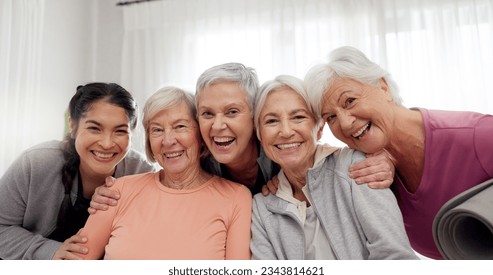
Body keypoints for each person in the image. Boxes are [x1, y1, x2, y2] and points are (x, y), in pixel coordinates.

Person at [88, 63, 395, 212]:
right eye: (207, 114)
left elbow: (318, 149)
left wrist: (384, 156)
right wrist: (114, 195)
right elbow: (164, 182)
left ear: (255, 116)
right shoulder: (202, 163)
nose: (218, 126)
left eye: (232, 112)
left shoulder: (281, 150)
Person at [304, 46, 493, 259]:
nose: (346, 124)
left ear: (383, 87)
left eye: (350, 101)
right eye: (331, 118)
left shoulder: (477, 136)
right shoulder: (369, 171)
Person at [250, 75, 417, 260]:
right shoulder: (261, 207)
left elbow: (395, 256)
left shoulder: (356, 167)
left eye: (298, 117)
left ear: (319, 128)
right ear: (260, 134)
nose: (286, 131)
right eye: (271, 121)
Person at [74, 87, 252, 260]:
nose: (168, 141)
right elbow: (74, 266)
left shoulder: (236, 198)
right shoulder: (116, 192)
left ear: (202, 135)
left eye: (180, 126)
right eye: (157, 130)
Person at [0, 83, 157, 260]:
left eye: (120, 131)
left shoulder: (142, 172)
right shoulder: (35, 163)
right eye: (94, 128)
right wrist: (49, 251)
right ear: (73, 126)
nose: (107, 143)